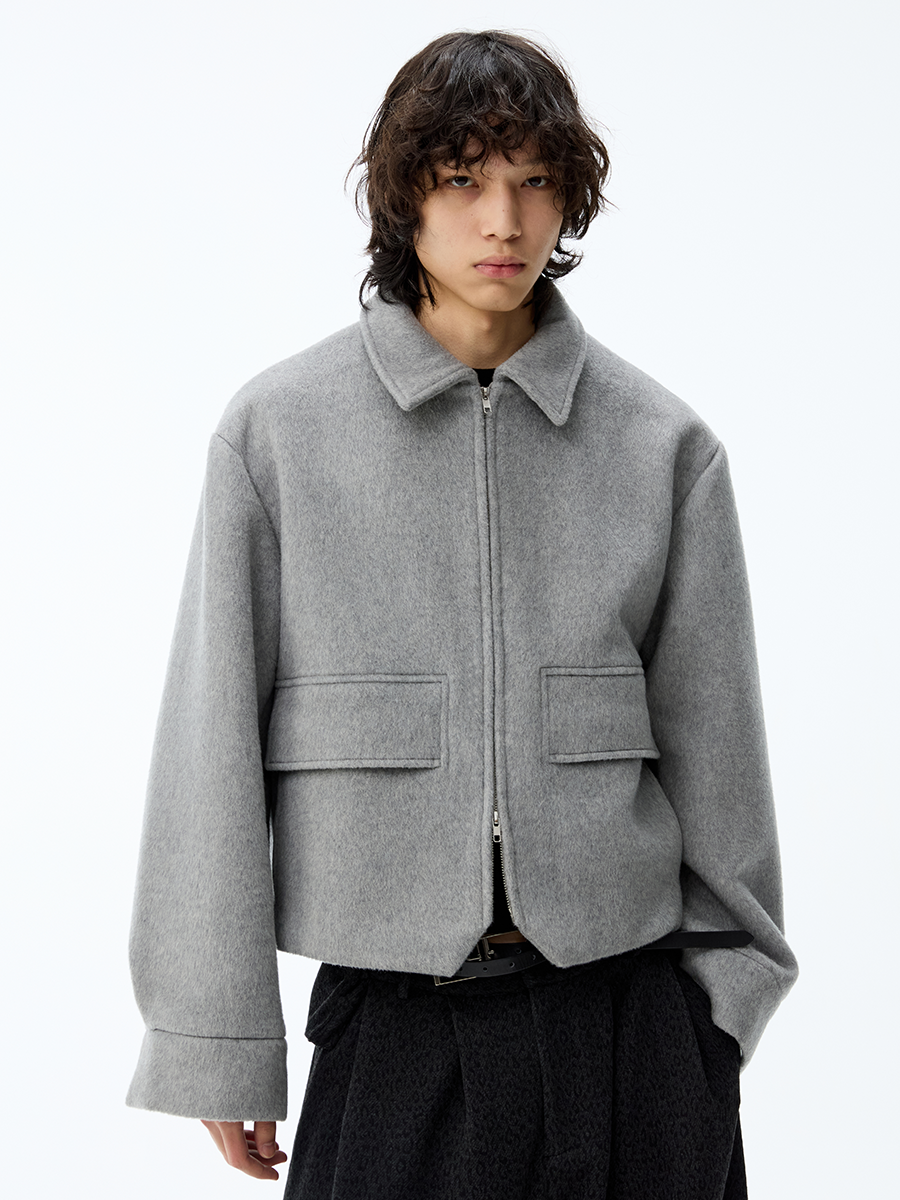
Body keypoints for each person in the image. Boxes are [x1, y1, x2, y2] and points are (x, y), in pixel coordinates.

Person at [126, 29, 799, 1199]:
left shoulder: (663, 448)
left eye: (535, 180)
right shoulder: (279, 436)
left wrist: (717, 1020)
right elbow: (208, 750)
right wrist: (216, 1037)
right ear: (406, 198)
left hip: (631, 1028)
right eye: (463, 179)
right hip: (396, 1035)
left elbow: (721, 761)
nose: (505, 219)